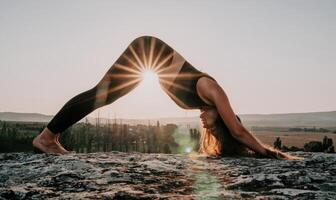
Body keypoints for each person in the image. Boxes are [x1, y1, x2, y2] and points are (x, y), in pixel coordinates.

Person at [32, 35, 302, 160]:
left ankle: (49, 137)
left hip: (148, 61)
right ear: (222, 117)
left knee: (102, 96)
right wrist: (271, 154)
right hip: (146, 52)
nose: (204, 124)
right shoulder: (213, 90)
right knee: (100, 96)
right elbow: (238, 131)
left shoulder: (201, 100)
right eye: (211, 125)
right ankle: (47, 138)